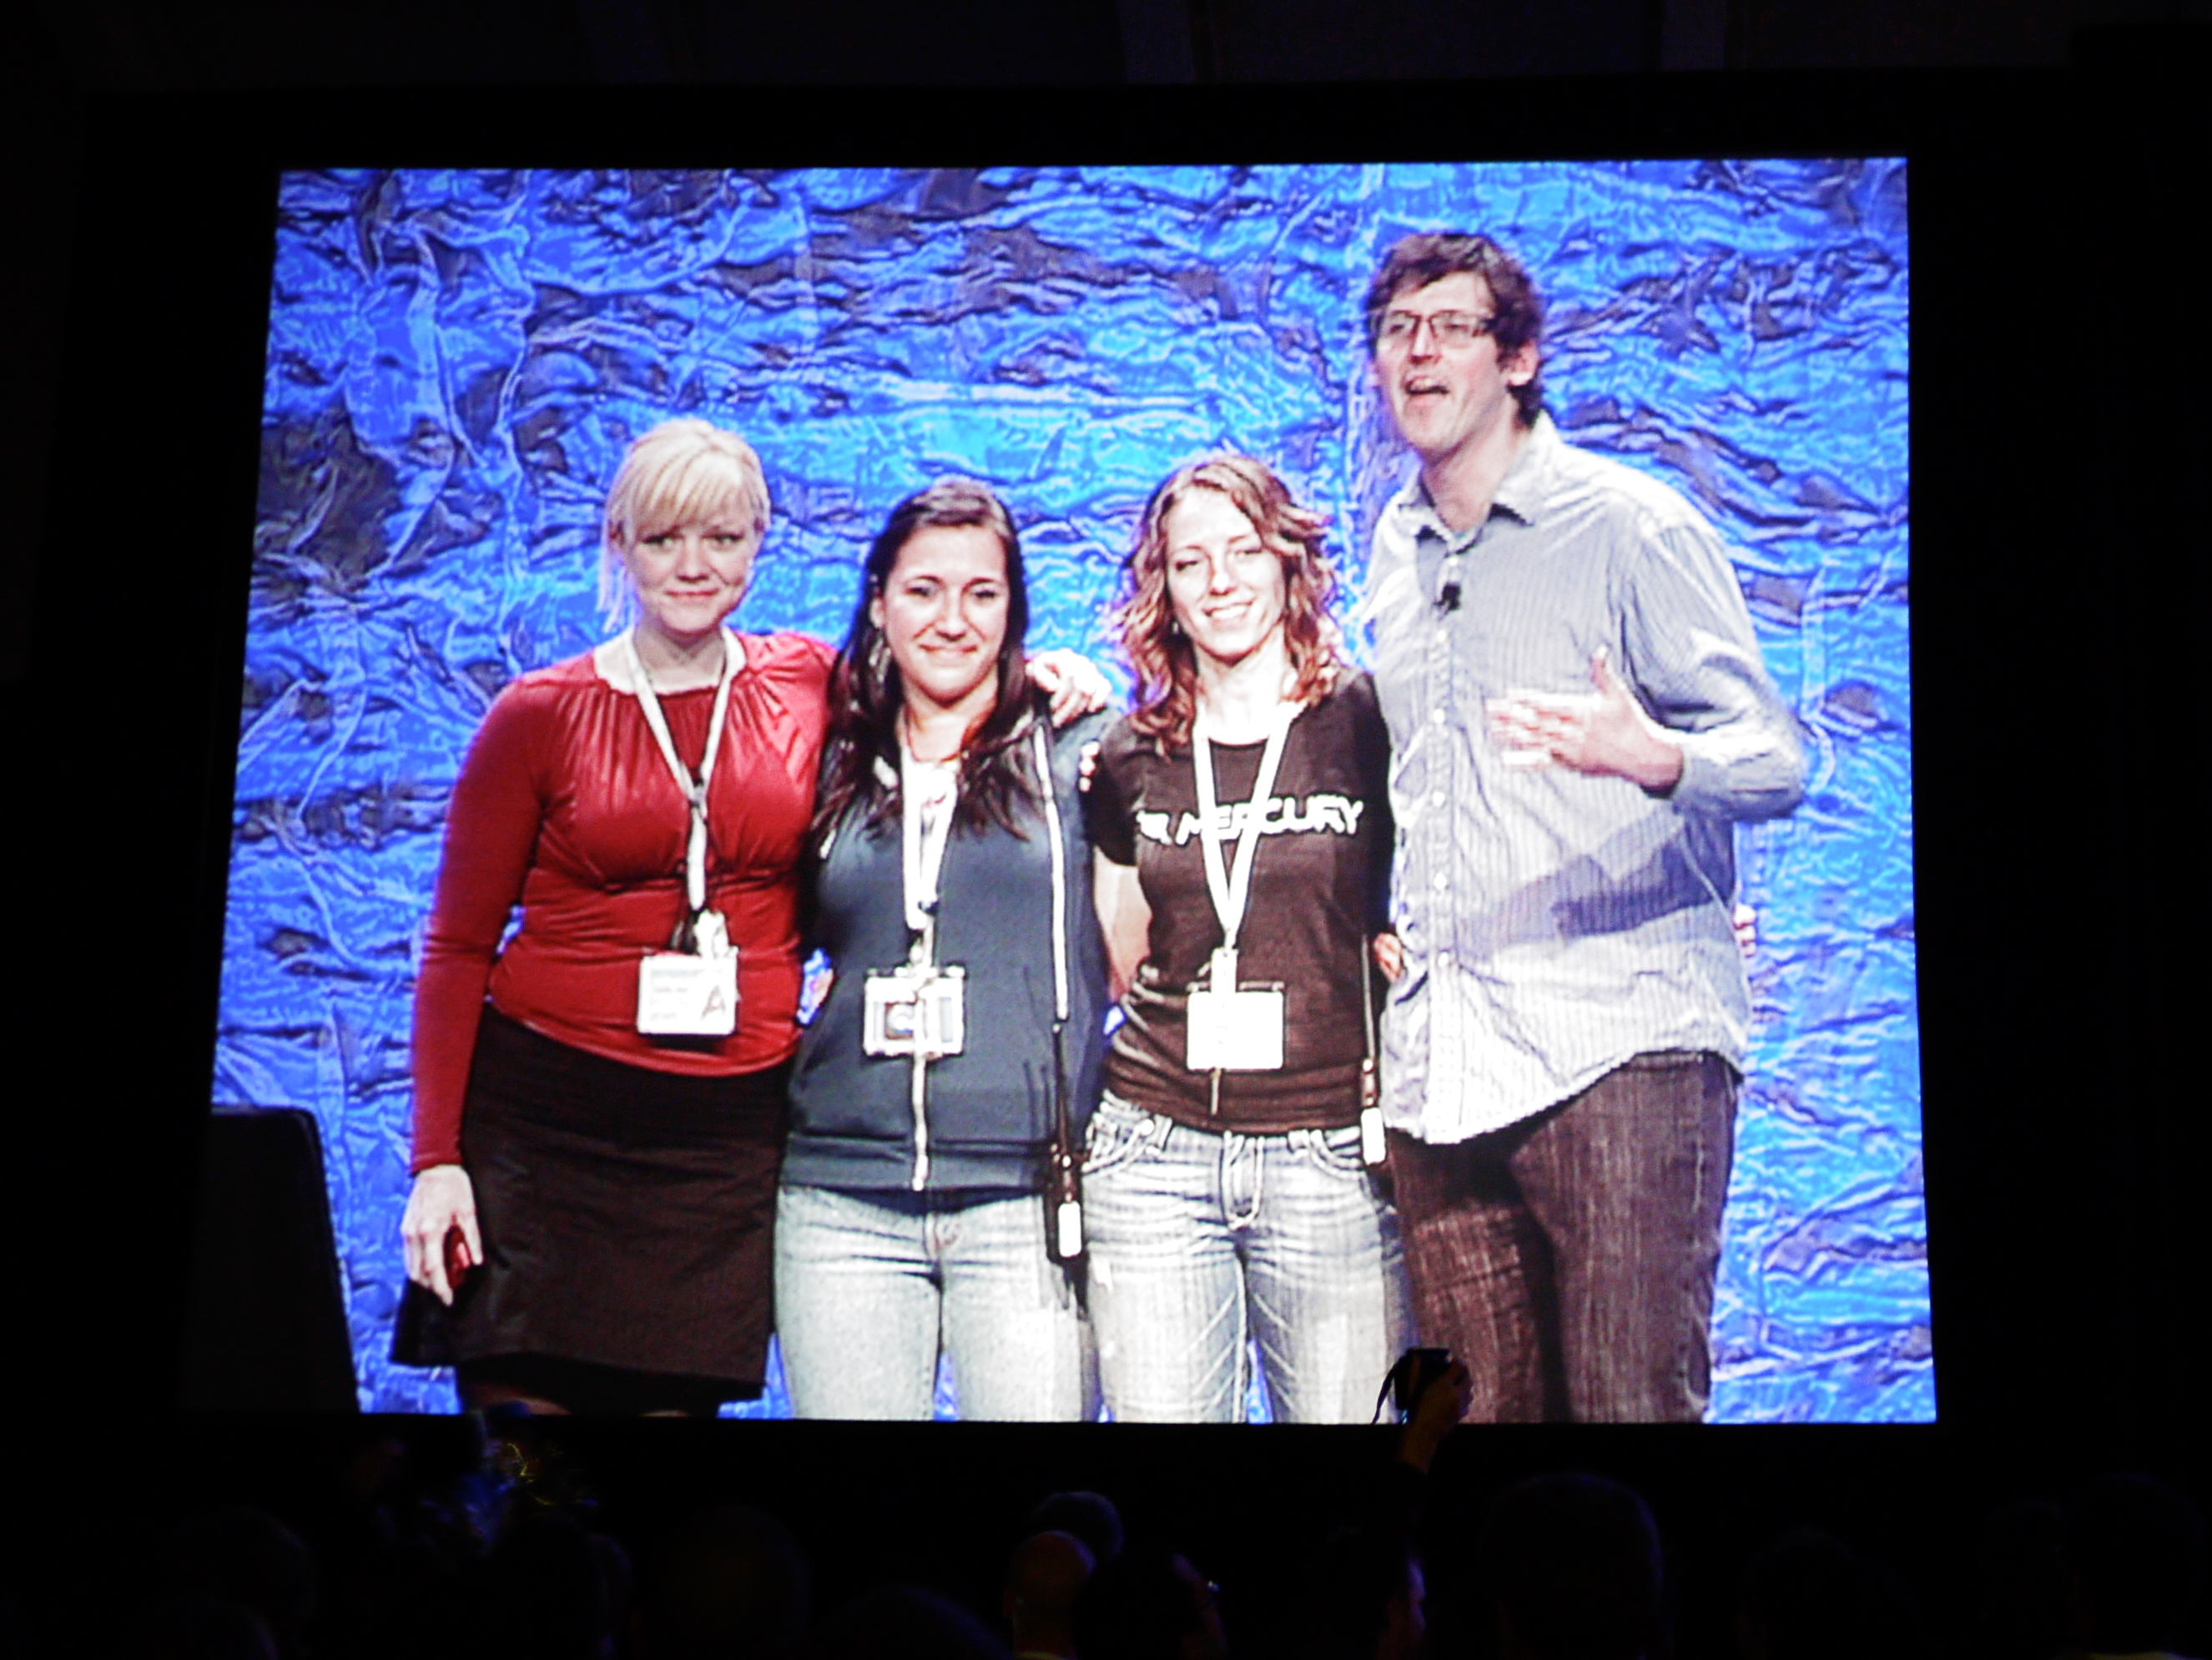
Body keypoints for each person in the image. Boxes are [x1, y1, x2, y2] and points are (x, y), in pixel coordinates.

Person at [393, 422, 1101, 1415]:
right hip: (546, 1129)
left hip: (721, 1144)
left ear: (757, 545)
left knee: (666, 1460)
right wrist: (435, 1163)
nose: (692, 566)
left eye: (720, 539)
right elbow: (457, 946)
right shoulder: (536, 715)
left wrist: (1055, 676)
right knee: (523, 1470)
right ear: (619, 546)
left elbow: (944, 677)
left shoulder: (810, 685)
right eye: (663, 540)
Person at [1356, 231, 1807, 1422]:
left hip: (1618, 1045)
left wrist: (1653, 756)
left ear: (1517, 358)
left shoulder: (1628, 527)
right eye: (1396, 331)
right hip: (1443, 1067)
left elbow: (1776, 758)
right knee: (1462, 1434)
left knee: (1627, 1416)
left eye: (1448, 327)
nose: (1416, 352)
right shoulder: (1391, 557)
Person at [1082, 454, 1409, 1424]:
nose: (1219, 583)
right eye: (1190, 563)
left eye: (1242, 552)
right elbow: (1125, 953)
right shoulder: (1127, 753)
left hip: (1329, 1158)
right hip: (1153, 1154)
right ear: (1163, 589)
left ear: (1287, 562)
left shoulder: (1364, 722)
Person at [775, 478, 1111, 1420]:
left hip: (1024, 1198)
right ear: (878, 599)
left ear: (1014, 610)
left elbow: (1141, 942)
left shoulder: (1079, 745)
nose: (952, 620)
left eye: (981, 593)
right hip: (842, 1194)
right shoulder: (820, 751)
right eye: (923, 590)